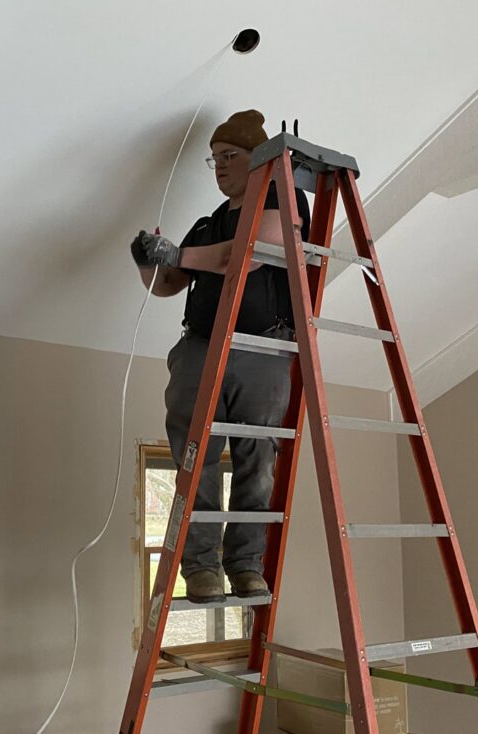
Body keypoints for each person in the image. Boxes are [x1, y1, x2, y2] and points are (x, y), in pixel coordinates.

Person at [130, 110, 310, 603]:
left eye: (230, 156)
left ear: (260, 160)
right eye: (214, 159)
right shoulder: (208, 225)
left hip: (263, 351)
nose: (220, 167)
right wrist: (147, 257)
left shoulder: (285, 205)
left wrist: (177, 254)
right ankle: (201, 569)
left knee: (257, 458)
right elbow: (166, 285)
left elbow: (243, 256)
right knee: (195, 456)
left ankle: (246, 565)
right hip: (199, 348)